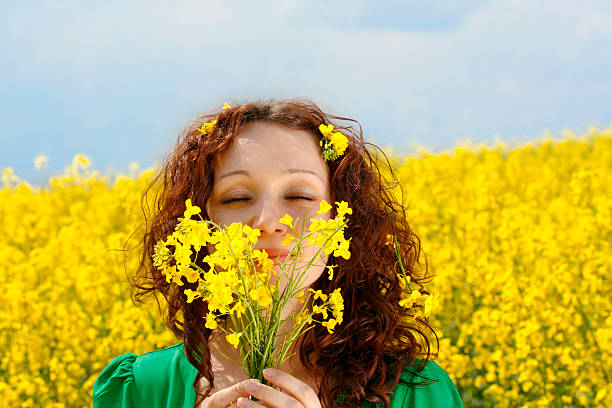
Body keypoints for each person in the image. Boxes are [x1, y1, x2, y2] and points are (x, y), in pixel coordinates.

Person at [92, 99, 464, 408]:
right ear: (198, 229)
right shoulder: (141, 391)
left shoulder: (417, 394)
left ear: (343, 221)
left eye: (299, 196)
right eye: (237, 198)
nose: (268, 222)